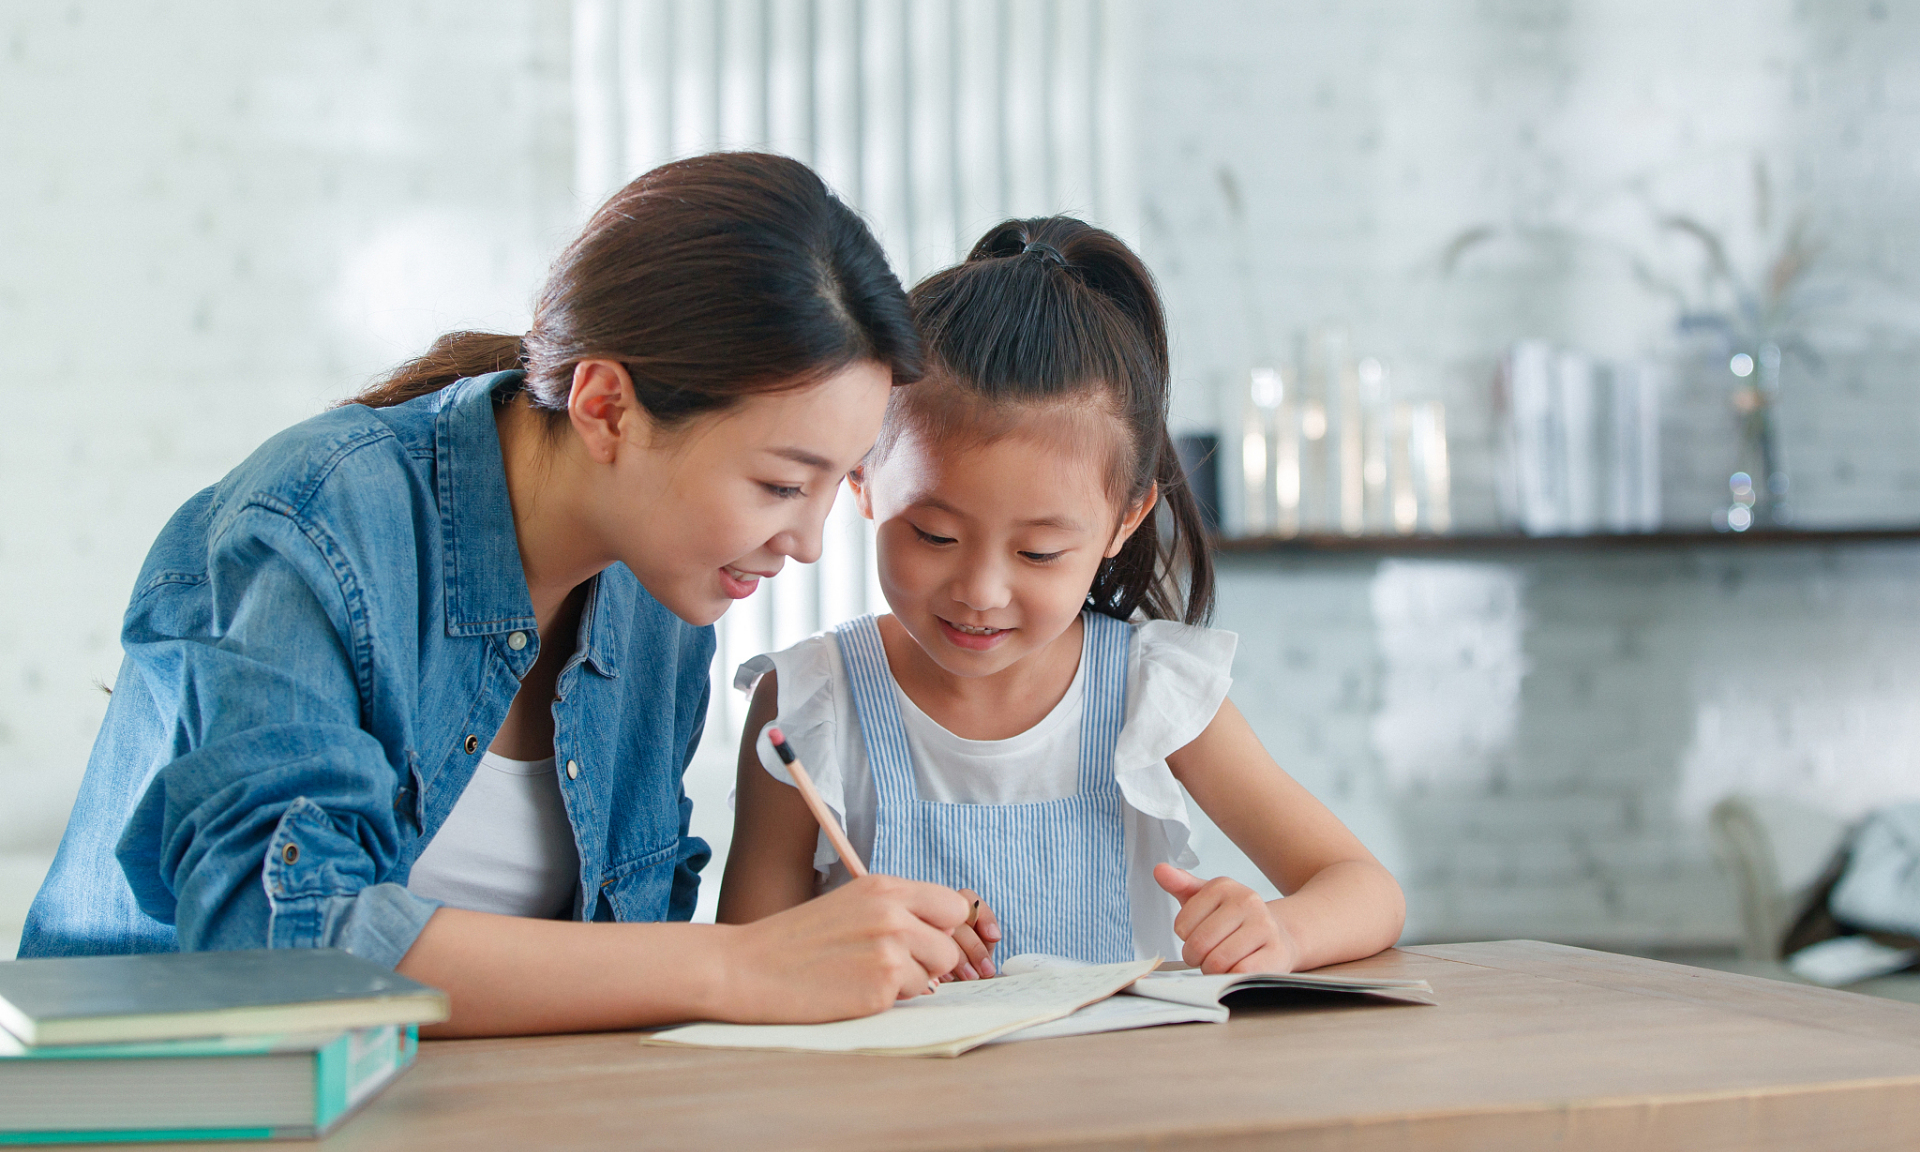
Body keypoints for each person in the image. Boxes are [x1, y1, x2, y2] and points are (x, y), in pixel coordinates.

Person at [21, 152, 977, 1034]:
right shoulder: (315, 524)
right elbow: (278, 945)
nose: (807, 543)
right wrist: (738, 967)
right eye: (778, 485)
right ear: (606, 407)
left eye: (832, 484)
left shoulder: (661, 593)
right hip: (176, 1127)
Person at [719, 217, 1406, 978]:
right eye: (935, 537)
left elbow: (1365, 889)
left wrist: (1282, 932)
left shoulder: (1154, 693)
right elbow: (747, 969)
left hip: (1114, 1098)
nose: (980, 591)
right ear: (861, 479)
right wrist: (834, 953)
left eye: (1039, 552)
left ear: (1125, 520)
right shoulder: (809, 703)